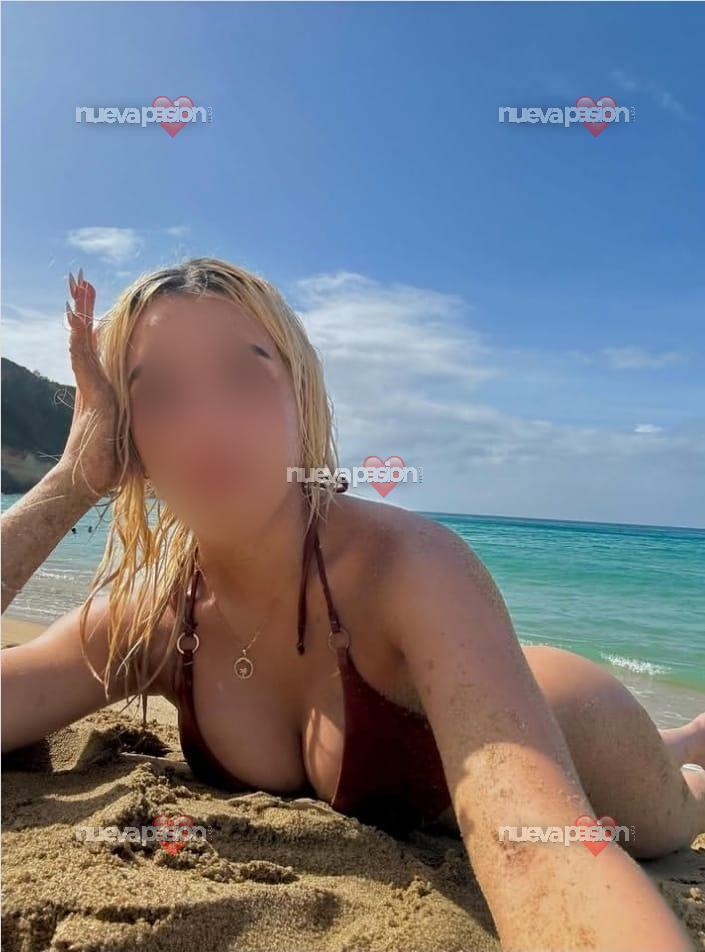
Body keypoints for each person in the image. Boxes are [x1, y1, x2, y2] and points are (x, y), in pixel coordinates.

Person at [1, 259, 702, 952]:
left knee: (677, 813)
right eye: (158, 394)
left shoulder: (408, 567)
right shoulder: (153, 624)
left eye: (245, 376)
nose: (206, 426)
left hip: (568, 719)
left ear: (302, 402)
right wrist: (72, 480)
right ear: (129, 437)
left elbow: (537, 851)